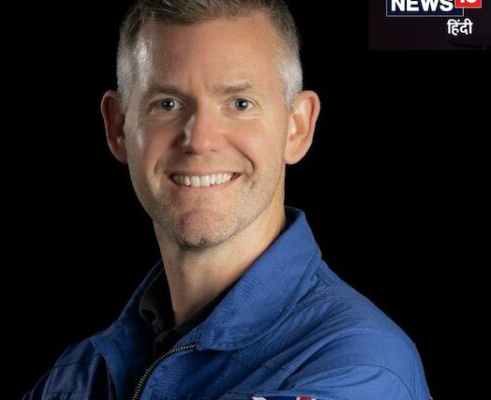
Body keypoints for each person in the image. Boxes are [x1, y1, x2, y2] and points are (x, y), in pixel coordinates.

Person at [24, 1, 431, 399]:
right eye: (167, 104)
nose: (200, 140)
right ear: (118, 127)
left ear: (297, 127)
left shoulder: (358, 368)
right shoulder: (74, 379)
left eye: (240, 104)